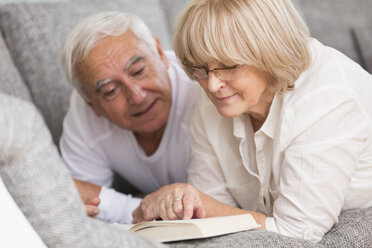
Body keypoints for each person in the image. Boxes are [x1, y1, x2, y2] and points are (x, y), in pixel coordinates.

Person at [133, 0, 372, 242]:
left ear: (269, 51)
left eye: (227, 66)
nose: (213, 85)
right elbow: (207, 214)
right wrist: (189, 201)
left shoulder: (328, 98)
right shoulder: (211, 100)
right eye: (201, 68)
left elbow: (297, 233)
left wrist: (198, 200)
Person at [59, 12, 197, 224]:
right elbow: (78, 199)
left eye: (138, 71)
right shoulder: (83, 114)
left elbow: (209, 210)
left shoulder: (204, 89)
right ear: (91, 104)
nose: (137, 96)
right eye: (111, 90)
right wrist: (144, 210)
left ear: (160, 53)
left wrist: (118, 208)